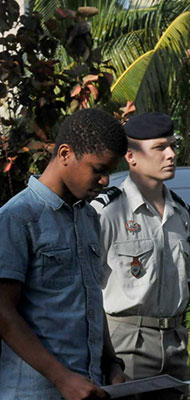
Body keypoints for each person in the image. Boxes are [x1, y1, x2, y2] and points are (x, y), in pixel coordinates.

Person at [0, 108, 129, 400]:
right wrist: (62, 379)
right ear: (65, 154)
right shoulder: (17, 218)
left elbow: (90, 300)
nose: (106, 181)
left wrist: (111, 364)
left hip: (89, 389)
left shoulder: (88, 217)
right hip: (34, 392)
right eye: (98, 169)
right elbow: (3, 314)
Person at [92, 112, 190, 400]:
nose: (171, 154)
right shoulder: (107, 212)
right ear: (131, 156)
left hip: (175, 343)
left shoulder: (181, 212)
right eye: (160, 147)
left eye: (172, 145)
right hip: (125, 343)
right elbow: (86, 287)